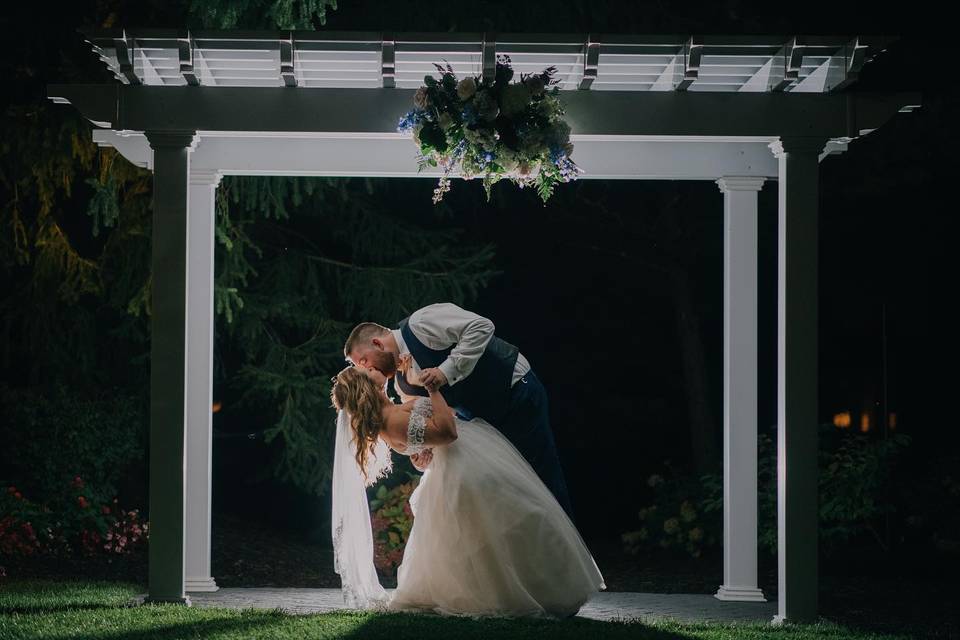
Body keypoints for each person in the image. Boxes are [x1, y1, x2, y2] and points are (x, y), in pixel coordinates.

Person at [330, 365, 605, 618]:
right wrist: (433, 390)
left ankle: (540, 589)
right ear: (364, 386)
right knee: (519, 520)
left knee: (515, 524)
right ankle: (520, 595)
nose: (368, 366)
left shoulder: (391, 412)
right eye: (362, 370)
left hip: (470, 458)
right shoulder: (391, 422)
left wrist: (423, 450)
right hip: (466, 467)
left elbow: (427, 440)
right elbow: (448, 432)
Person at [343, 302, 574, 519]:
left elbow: (481, 326)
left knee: (542, 481)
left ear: (377, 343)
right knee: (512, 494)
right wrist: (422, 454)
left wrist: (445, 372)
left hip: (513, 391)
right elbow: (430, 422)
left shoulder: (421, 323)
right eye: (359, 367)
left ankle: (565, 553)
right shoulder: (401, 384)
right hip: (481, 427)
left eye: (363, 361)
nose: (366, 368)